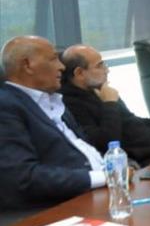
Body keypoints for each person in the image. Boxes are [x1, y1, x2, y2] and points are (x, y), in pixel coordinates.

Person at [0, 36, 106, 212]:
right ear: (27, 65)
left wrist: (114, 167)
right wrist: (101, 177)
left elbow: (83, 149)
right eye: (53, 59)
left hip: (98, 191)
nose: (62, 66)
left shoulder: (54, 102)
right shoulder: (6, 107)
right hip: (57, 207)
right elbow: (22, 177)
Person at [60, 45, 150, 167]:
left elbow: (133, 121)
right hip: (143, 163)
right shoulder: (71, 104)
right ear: (79, 73)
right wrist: (109, 104)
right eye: (100, 65)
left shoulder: (99, 90)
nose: (107, 70)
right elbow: (107, 144)